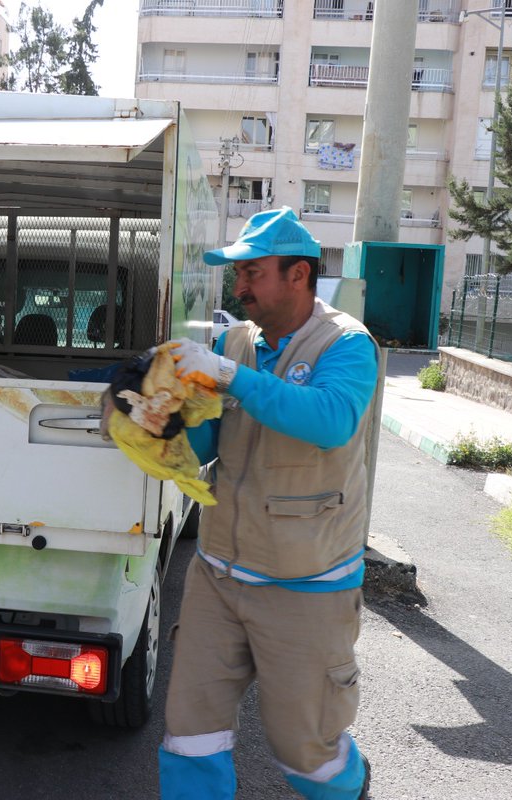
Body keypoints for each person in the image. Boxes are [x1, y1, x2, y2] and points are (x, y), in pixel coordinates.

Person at [157, 207, 378, 800]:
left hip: (306, 584)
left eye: (253, 272)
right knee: (190, 732)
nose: (241, 287)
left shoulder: (348, 344)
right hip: (219, 575)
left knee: (305, 750)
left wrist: (230, 376)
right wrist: (165, 420)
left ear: (299, 274)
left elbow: (330, 422)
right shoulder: (236, 341)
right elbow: (208, 443)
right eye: (240, 274)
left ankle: (351, 788)